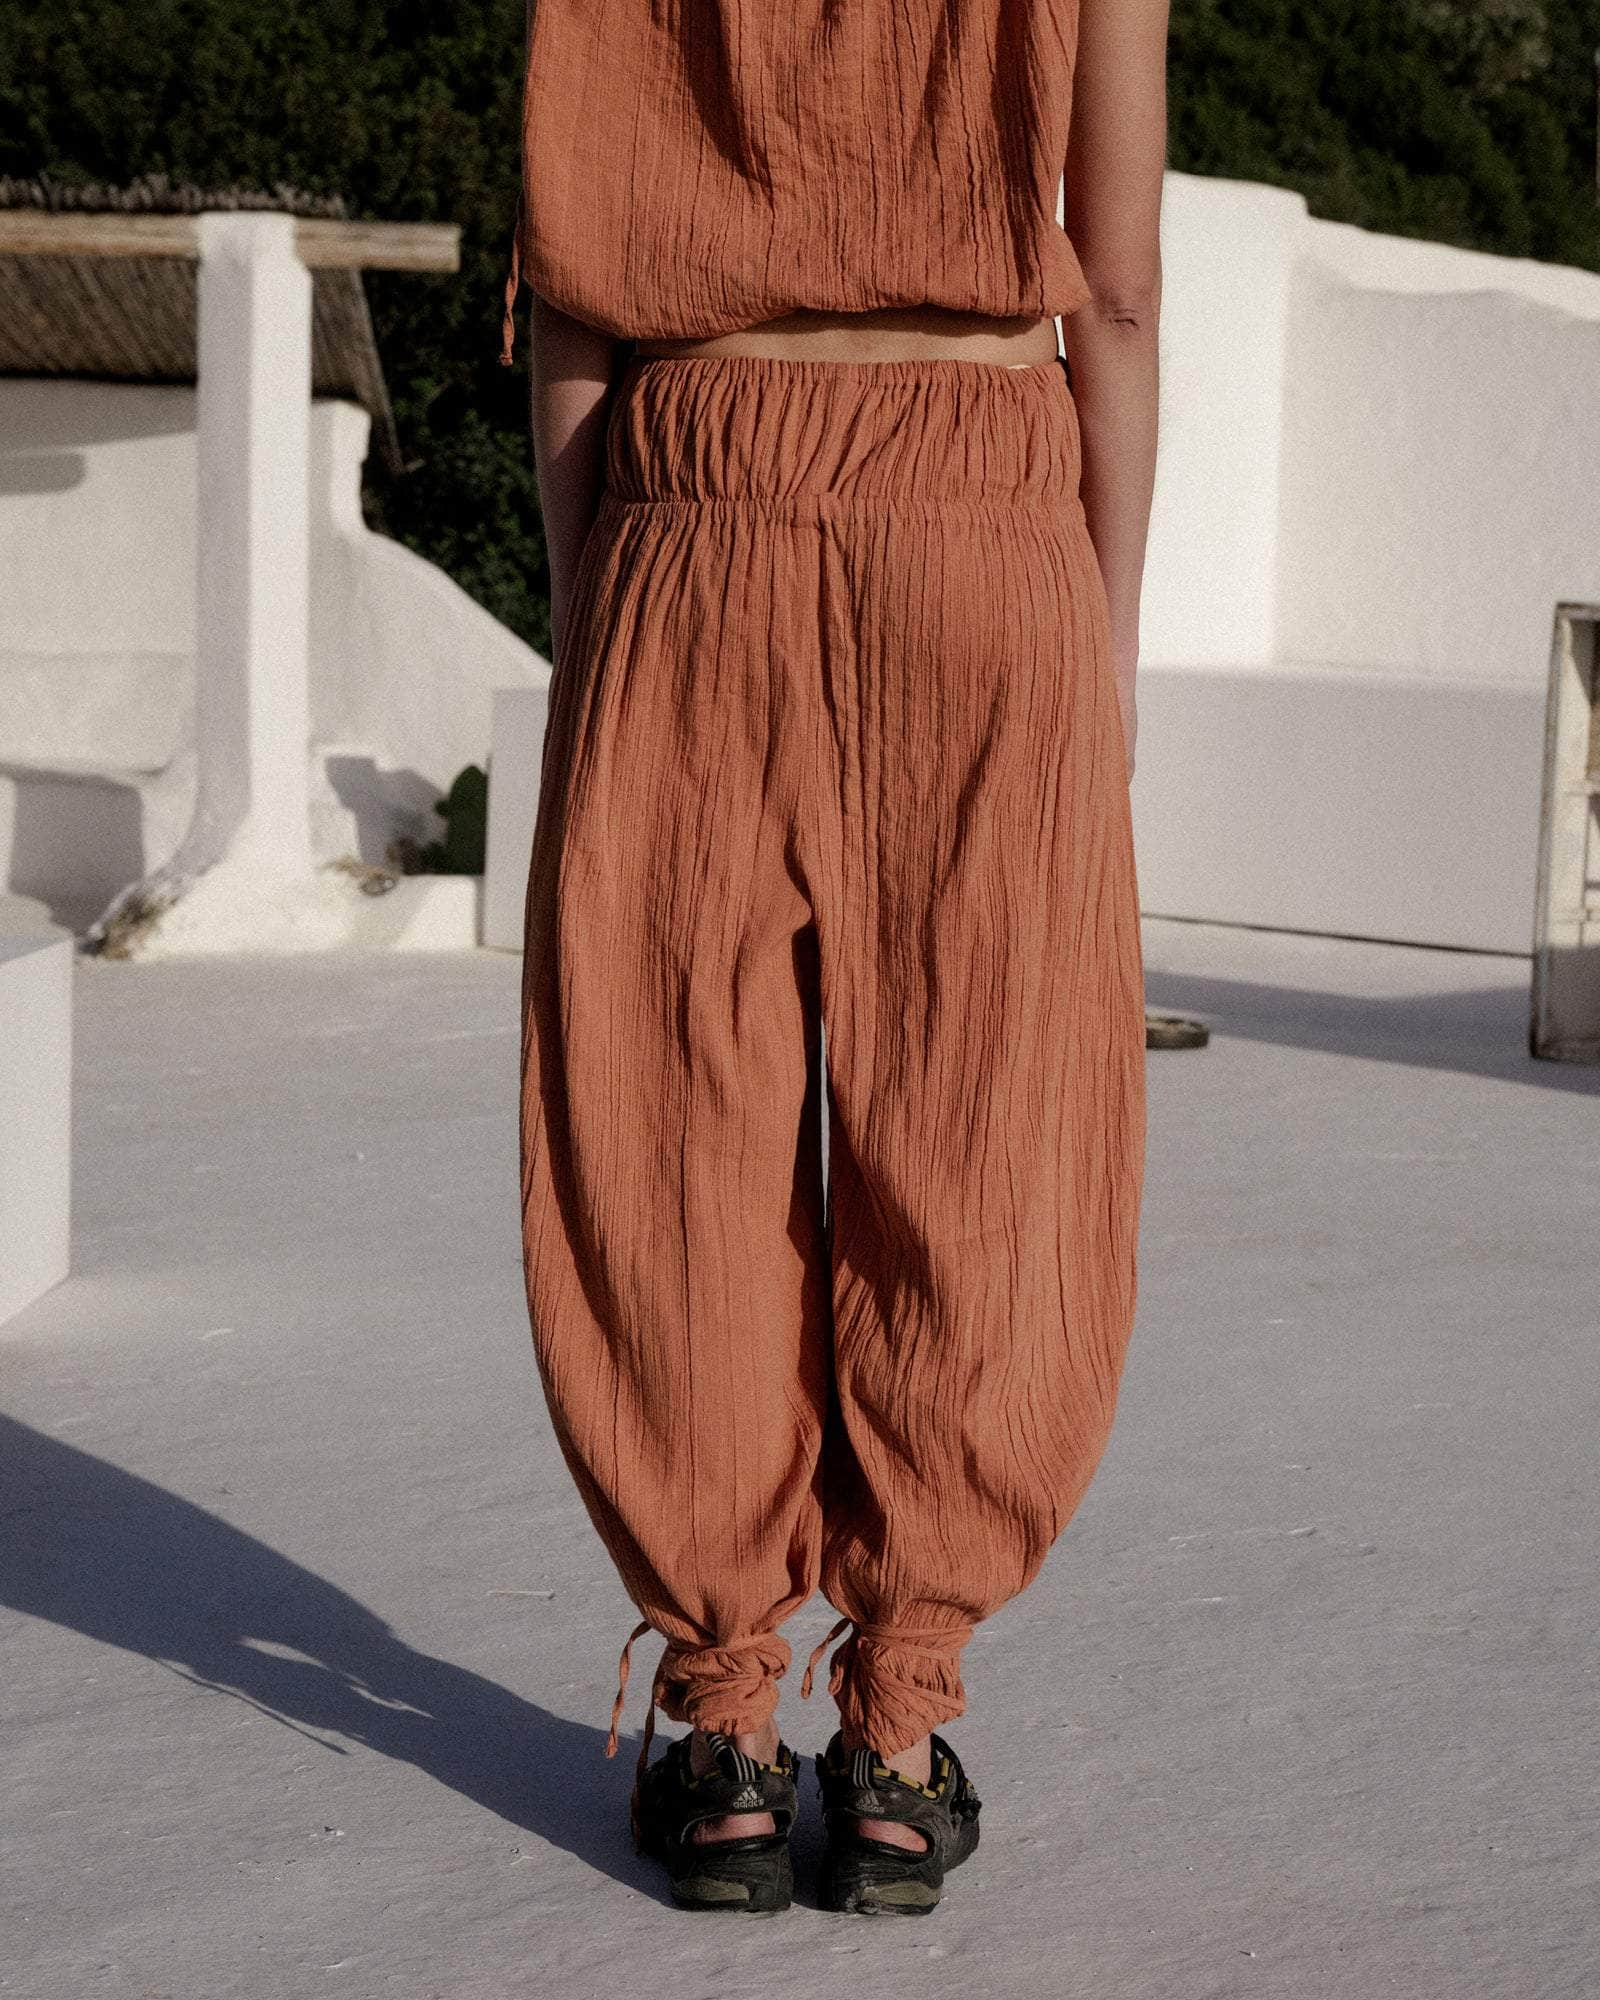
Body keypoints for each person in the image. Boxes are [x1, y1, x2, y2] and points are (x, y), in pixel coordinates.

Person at [504, 0, 1168, 1916]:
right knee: (984, 1113)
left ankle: (724, 1733)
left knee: (667, 1116)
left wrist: (598, 592)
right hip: (983, 502)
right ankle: (895, 1734)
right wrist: (1105, 628)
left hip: (687, 490)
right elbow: (1118, 293)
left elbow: (578, 295)